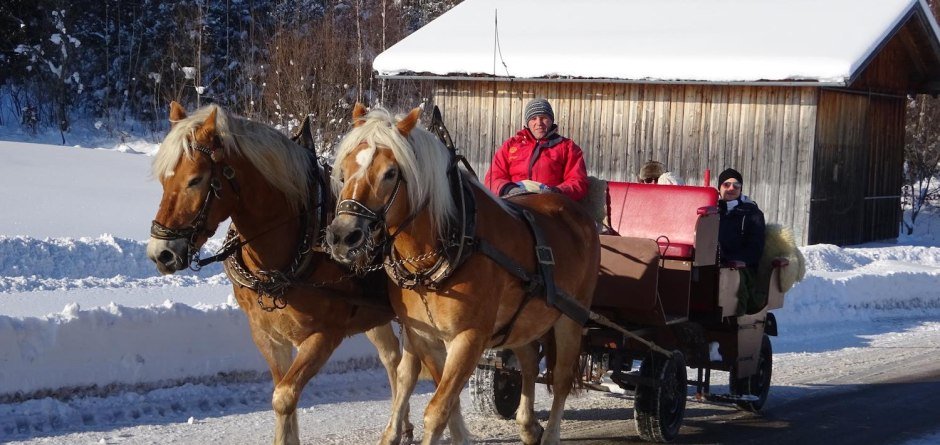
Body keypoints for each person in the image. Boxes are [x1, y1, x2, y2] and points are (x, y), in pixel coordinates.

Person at [484, 98, 588, 201]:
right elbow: (493, 178)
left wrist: (557, 192)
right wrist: (508, 189)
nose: (539, 123)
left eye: (543, 118)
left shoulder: (567, 147)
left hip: (550, 203)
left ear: (551, 120)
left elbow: (578, 181)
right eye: (534, 118)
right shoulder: (510, 145)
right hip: (513, 201)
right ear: (528, 122)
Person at [717, 168, 766, 314]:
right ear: (719, 188)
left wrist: (729, 260)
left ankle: (732, 318)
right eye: (726, 184)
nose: (731, 188)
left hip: (741, 267)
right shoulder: (712, 210)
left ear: (741, 189)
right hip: (711, 262)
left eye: (736, 185)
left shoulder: (752, 214)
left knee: (728, 276)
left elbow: (755, 249)